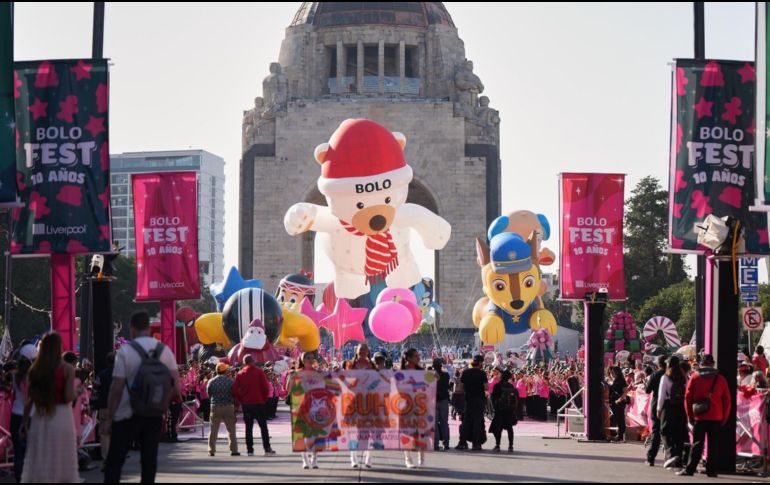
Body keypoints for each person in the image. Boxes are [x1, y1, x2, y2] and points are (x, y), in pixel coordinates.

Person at [104, 311, 181, 484]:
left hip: (126, 413)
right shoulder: (164, 350)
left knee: (115, 461)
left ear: (132, 328)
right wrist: (161, 403)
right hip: (153, 413)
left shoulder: (125, 351)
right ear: (148, 327)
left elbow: (116, 389)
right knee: (149, 461)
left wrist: (110, 419)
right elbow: (177, 386)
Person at [21, 332, 78, 483]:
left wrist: (24, 422)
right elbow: (67, 397)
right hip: (62, 416)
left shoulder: (35, 370)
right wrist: (77, 391)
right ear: (59, 347)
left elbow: (29, 400)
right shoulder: (67, 369)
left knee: (41, 458)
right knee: (62, 460)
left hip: (41, 416)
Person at [677, 354, 731, 478]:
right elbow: (727, 400)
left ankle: (690, 469)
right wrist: (725, 416)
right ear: (713, 364)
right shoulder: (720, 378)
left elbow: (687, 398)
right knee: (713, 445)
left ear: (701, 364)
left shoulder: (695, 377)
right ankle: (711, 471)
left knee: (697, 444)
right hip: (716, 417)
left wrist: (689, 415)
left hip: (699, 417)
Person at [233, 355, 275, 457]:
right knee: (263, 427)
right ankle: (267, 448)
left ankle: (250, 450)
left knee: (248, 428)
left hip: (246, 404)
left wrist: (241, 399)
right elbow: (265, 387)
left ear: (244, 362)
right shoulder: (259, 372)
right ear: (253, 361)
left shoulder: (240, 374)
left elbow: (234, 390)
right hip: (258, 402)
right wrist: (264, 399)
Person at [657, 356, 688, 469]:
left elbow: (661, 395)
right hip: (681, 407)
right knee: (679, 434)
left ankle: (671, 454)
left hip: (668, 407)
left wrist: (658, 409)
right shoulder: (684, 377)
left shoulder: (665, 377)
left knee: (665, 431)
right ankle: (679, 459)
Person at [207, 363, 239, 457]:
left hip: (215, 406)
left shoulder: (211, 381)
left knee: (213, 430)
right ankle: (234, 450)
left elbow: (209, 394)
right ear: (225, 371)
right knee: (231, 430)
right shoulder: (230, 381)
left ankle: (211, 450)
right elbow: (234, 394)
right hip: (228, 406)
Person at [457, 354, 488, 451]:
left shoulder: (465, 372)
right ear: (479, 363)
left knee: (466, 421)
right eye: (482, 362)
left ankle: (462, 442)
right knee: (477, 422)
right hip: (479, 400)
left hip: (468, 399)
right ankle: (476, 444)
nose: (482, 364)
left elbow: (461, 387)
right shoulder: (482, 373)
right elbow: (486, 387)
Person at [401, 349, 425, 468]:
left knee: (420, 432)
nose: (418, 358)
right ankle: (408, 458)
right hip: (405, 406)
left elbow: (429, 383)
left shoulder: (421, 371)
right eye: (416, 356)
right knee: (407, 433)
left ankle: (421, 456)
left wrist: (435, 376)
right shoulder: (401, 371)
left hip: (419, 406)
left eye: (418, 355)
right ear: (409, 358)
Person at [10, 352, 32, 483]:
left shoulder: (14, 377)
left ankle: (19, 478)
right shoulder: (30, 378)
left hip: (15, 414)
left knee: (18, 450)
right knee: (30, 449)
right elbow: (29, 398)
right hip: (28, 415)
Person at [93, 352, 115, 471]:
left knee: (104, 433)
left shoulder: (101, 374)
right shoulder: (121, 374)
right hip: (118, 407)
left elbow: (95, 389)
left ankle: (106, 459)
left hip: (104, 406)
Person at [296, 352, 319, 469]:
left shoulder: (317, 373)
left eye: (311, 357)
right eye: (307, 358)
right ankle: (304, 460)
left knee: (315, 434)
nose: (310, 359)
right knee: (303, 434)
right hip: (302, 406)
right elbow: (289, 390)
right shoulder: (298, 373)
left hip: (316, 407)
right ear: (302, 360)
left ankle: (314, 459)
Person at [645, 356, 667, 466]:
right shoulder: (674, 374)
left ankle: (651, 457)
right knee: (669, 432)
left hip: (657, 404)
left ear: (658, 364)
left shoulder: (655, 375)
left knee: (656, 431)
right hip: (670, 406)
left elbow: (647, 390)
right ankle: (670, 456)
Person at [489, 369, 517, 452]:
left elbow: (493, 398)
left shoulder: (497, 386)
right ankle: (510, 446)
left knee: (497, 428)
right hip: (509, 410)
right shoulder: (511, 386)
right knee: (509, 428)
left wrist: (494, 408)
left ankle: (497, 445)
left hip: (500, 409)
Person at [433, 358, 450, 452]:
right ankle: (446, 443)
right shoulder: (446, 375)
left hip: (433, 399)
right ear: (441, 365)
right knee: (444, 422)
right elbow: (447, 385)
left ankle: (435, 444)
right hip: (444, 399)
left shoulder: (430, 375)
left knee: (434, 423)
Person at [608, 366, 628, 442]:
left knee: (620, 419)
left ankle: (620, 436)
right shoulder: (615, 380)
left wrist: (620, 400)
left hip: (619, 402)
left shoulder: (621, 380)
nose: (611, 374)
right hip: (614, 402)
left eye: (612, 372)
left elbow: (625, 391)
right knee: (617, 418)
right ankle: (618, 435)